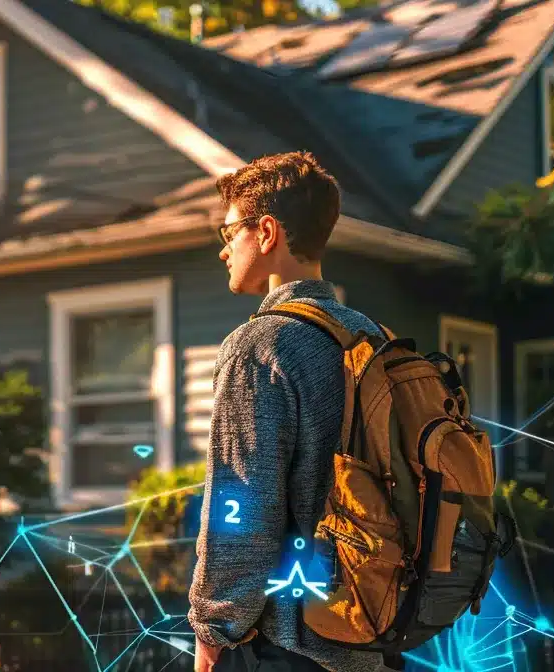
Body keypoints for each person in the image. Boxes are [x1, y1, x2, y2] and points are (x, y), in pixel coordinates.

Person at [190, 152, 388, 672]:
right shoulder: (372, 337)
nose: (224, 249)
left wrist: (214, 627)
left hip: (289, 645)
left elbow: (241, 507)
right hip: (377, 632)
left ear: (268, 231)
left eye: (229, 231)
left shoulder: (259, 346)